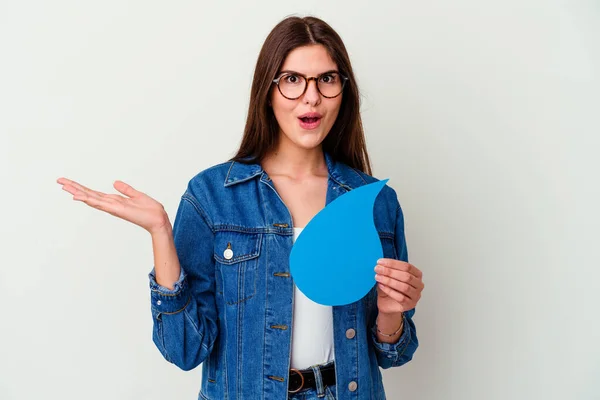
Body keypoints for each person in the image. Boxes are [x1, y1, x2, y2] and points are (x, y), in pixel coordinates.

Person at [57, 15, 424, 400]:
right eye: (292, 80)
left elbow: (393, 353)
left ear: (343, 90)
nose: (311, 97)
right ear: (268, 91)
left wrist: (390, 313)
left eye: (327, 79)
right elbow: (184, 351)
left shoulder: (374, 201)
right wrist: (161, 233)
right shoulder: (213, 196)